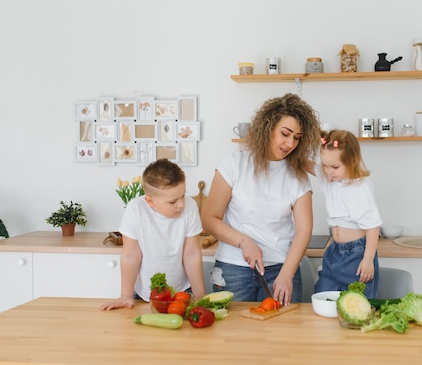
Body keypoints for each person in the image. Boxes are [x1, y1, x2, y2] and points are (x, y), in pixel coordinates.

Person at [202, 93, 321, 306]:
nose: (290, 143)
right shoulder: (234, 164)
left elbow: (304, 230)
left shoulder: (298, 175)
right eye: (285, 133)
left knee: (281, 336)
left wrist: (287, 274)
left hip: (282, 268)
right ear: (268, 127)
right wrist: (245, 241)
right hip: (233, 268)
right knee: (233, 337)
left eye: (297, 137)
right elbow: (210, 218)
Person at [100, 159, 206, 310]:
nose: (181, 204)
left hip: (182, 291)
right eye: (172, 201)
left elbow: (191, 254)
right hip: (143, 294)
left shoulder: (190, 207)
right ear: (150, 201)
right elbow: (131, 255)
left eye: (183, 195)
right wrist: (125, 295)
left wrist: (200, 295)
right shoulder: (135, 209)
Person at [311, 129, 382, 298]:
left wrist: (367, 260)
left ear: (352, 161)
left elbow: (373, 227)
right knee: (324, 296)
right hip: (335, 252)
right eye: (325, 165)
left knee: (356, 305)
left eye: (334, 167)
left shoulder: (360, 188)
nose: (328, 171)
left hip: (356, 255)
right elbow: (305, 165)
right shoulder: (331, 179)